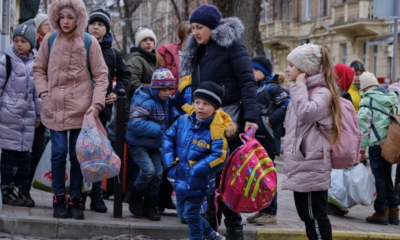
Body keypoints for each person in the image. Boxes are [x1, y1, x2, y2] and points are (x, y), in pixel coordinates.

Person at [180, 4, 259, 239]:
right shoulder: (198, 50)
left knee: (226, 176)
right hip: (204, 119)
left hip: (229, 121)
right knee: (206, 176)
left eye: (200, 27)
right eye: (193, 27)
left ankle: (234, 229)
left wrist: (252, 117)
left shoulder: (231, 46)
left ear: (213, 27)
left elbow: (247, 81)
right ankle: (211, 228)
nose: (195, 32)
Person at [33, 0, 108, 220]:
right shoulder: (50, 39)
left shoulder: (89, 41)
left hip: (82, 110)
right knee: (58, 153)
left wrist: (96, 105)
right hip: (54, 108)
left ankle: (77, 199)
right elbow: (38, 69)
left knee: (78, 156)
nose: (65, 22)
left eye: (70, 18)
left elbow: (101, 75)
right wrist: (44, 95)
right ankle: (59, 198)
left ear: (78, 19)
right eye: (62, 17)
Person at [282, 43, 342, 240]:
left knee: (315, 216)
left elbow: (306, 112)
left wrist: (299, 86)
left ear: (304, 69)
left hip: (311, 163)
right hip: (303, 163)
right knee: (308, 216)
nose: (287, 69)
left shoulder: (321, 92)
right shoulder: (305, 90)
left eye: (291, 65)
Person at [163, 82, 234, 240]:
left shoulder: (216, 129)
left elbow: (219, 155)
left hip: (198, 180)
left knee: (191, 213)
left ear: (215, 108)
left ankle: (197, 237)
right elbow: (168, 138)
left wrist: (196, 170)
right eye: (197, 102)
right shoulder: (183, 120)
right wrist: (170, 164)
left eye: (206, 104)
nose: (200, 107)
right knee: (183, 213)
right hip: (179, 175)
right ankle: (211, 235)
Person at [85, 8, 131, 213]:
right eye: (93, 23)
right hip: (77, 108)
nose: (96, 27)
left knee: (96, 154)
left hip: (101, 112)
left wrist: (118, 91)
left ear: (107, 29)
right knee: (74, 152)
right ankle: (74, 194)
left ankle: (96, 195)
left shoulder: (113, 53)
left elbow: (126, 76)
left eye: (101, 24)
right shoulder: (79, 45)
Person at [125, 67, 175, 221]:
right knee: (148, 170)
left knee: (158, 173)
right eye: (163, 89)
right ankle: (135, 197)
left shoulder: (165, 101)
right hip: (138, 143)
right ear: (155, 87)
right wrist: (161, 129)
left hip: (154, 144)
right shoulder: (145, 100)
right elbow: (135, 124)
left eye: (169, 88)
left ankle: (150, 205)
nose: (167, 92)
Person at [246, 56, 290, 225]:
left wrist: (270, 120)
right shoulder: (254, 89)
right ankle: (262, 209)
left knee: (267, 177)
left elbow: (288, 104)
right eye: (251, 70)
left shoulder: (271, 88)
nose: (252, 73)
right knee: (258, 177)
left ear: (264, 73)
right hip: (257, 140)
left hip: (269, 140)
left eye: (256, 70)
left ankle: (271, 213)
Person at [0, 19, 39, 207]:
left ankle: (24, 190)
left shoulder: (36, 63)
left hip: (27, 118)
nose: (19, 44)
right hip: (8, 116)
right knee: (8, 155)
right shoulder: (5, 60)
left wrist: (39, 115)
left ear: (32, 43)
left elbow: (38, 94)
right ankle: (6, 189)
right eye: (16, 40)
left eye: (23, 41)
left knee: (25, 157)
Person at [124, 27, 162, 201]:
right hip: (136, 114)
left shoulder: (152, 59)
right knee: (142, 166)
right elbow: (132, 84)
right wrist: (158, 88)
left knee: (155, 170)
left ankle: (148, 202)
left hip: (149, 116)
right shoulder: (136, 59)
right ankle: (133, 197)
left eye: (151, 40)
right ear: (138, 43)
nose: (149, 43)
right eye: (145, 40)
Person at [358, 72, 400, 225]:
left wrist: (361, 151)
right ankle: (394, 208)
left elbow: (362, 130)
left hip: (376, 145)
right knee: (387, 176)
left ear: (364, 87)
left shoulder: (367, 101)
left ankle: (381, 210)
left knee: (379, 177)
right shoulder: (392, 98)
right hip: (390, 144)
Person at [30, 13, 50, 183]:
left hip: (46, 101)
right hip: (34, 100)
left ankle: (35, 178)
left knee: (39, 142)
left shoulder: (52, 43)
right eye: (46, 24)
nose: (49, 27)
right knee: (35, 143)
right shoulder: (33, 44)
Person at [157, 23, 192, 96]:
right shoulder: (168, 52)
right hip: (171, 96)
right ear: (187, 34)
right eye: (194, 31)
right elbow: (161, 76)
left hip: (191, 96)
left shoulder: (198, 52)